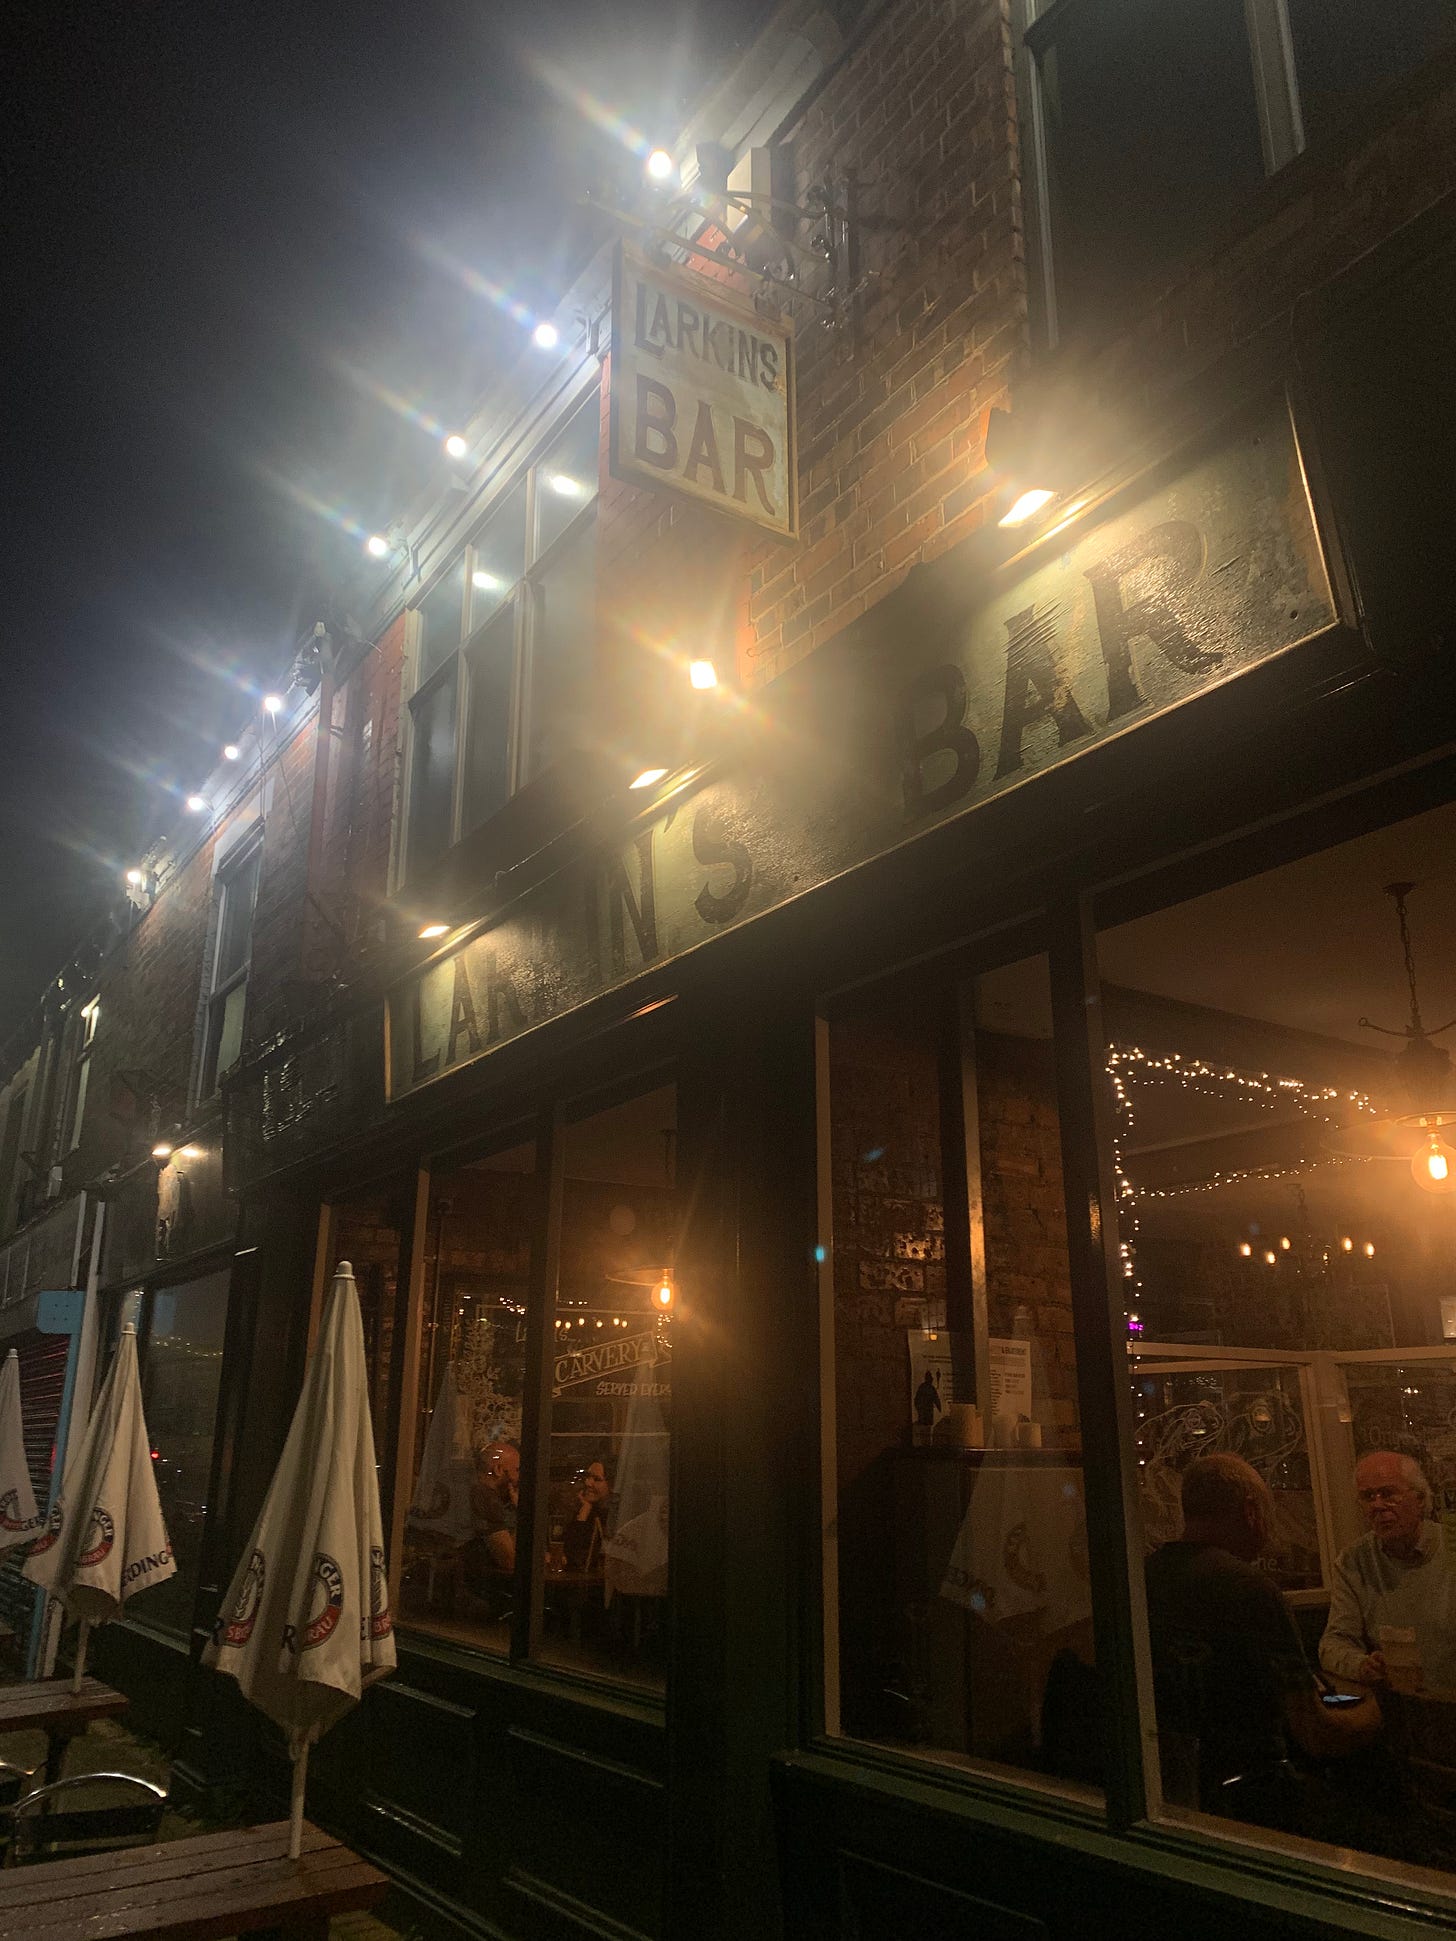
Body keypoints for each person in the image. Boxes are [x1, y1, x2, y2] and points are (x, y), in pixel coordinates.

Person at [1144, 1453, 1378, 1829]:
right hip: (1252, 1798)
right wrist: (1375, 1714)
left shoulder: (1145, 1576)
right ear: (1251, 1511)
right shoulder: (1250, 1591)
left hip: (1171, 1793)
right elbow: (1315, 1733)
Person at [1320, 1450, 1456, 1692]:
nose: (1377, 1505)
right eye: (1368, 1497)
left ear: (1420, 1499)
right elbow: (1334, 1643)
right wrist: (1362, 1665)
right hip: (1399, 1704)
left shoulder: (1450, 1547)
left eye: (1388, 1494)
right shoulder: (1354, 1562)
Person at [563, 1456, 612, 1571]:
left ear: (612, 1484)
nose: (588, 1483)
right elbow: (569, 1555)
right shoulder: (586, 1510)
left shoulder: (613, 1518)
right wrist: (584, 1511)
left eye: (596, 1479)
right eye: (588, 1477)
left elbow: (580, 1560)